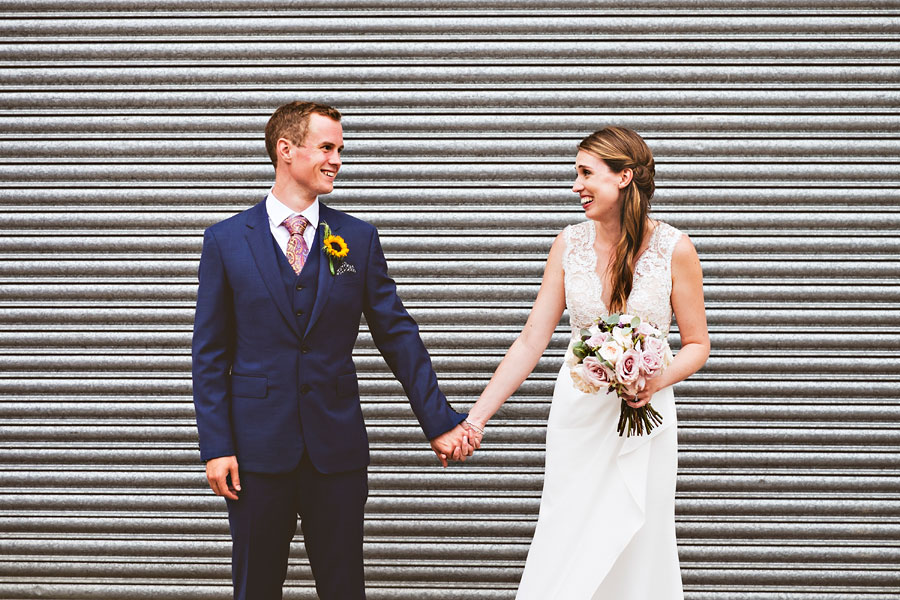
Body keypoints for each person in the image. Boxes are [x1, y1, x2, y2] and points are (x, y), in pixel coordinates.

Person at [191, 101, 476, 600]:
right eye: (326, 147)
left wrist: (440, 420)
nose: (337, 160)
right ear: (286, 150)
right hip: (257, 451)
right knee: (255, 586)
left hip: (337, 448)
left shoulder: (357, 238)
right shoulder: (226, 241)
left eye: (339, 149)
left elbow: (397, 333)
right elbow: (210, 354)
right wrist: (217, 447)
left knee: (344, 586)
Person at [463, 126, 710, 598]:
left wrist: (656, 380)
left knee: (641, 533)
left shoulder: (675, 249)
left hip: (647, 416)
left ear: (624, 177)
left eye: (585, 173)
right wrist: (477, 419)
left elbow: (697, 343)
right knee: (568, 526)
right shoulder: (568, 245)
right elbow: (531, 340)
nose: (575, 186)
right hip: (578, 414)